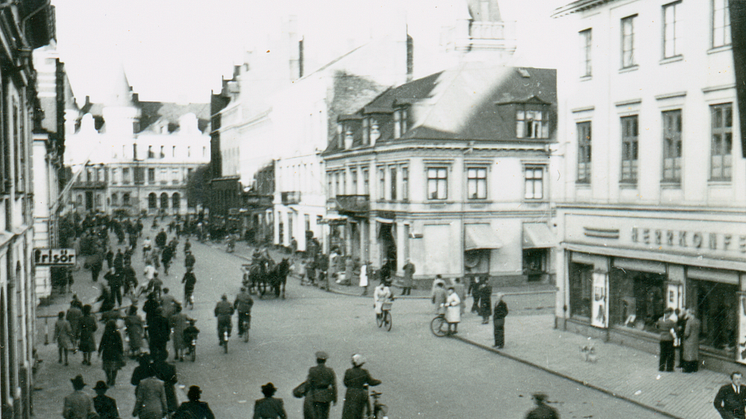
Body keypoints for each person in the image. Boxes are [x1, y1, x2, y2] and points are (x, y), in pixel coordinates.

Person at [341, 354, 381, 419]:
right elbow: (371, 382)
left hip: (349, 393)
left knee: (348, 412)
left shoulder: (348, 371)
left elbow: (345, 383)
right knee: (358, 412)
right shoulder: (364, 372)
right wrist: (379, 381)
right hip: (360, 393)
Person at [306, 351, 337, 419]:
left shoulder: (312, 370)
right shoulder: (330, 371)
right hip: (326, 396)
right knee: (325, 416)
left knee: (316, 415)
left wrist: (306, 393)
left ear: (317, 360)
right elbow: (334, 385)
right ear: (325, 361)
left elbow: (308, 383)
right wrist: (334, 399)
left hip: (316, 395)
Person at [99, 320, 125, 386]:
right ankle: (113, 379)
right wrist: (121, 352)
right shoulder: (117, 333)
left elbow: (102, 343)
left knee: (107, 367)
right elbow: (120, 343)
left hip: (107, 352)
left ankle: (108, 378)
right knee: (114, 368)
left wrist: (99, 351)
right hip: (115, 352)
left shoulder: (106, 333)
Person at [151, 350, 178, 415]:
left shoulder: (153, 366)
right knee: (171, 410)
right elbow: (174, 380)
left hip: (156, 390)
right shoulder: (171, 367)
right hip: (169, 390)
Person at [656, 307, 677, 372]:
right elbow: (675, 329)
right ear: (668, 313)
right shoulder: (671, 322)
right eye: (670, 313)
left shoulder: (660, 320)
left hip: (662, 338)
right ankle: (669, 368)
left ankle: (661, 367)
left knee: (662, 353)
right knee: (670, 354)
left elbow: (657, 327)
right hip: (669, 338)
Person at [682, 308, 701, 373]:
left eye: (687, 313)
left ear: (690, 314)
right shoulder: (697, 321)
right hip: (695, 339)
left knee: (688, 354)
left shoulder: (689, 321)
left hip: (689, 339)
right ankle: (695, 368)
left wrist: (684, 336)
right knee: (694, 354)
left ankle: (688, 369)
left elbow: (686, 332)